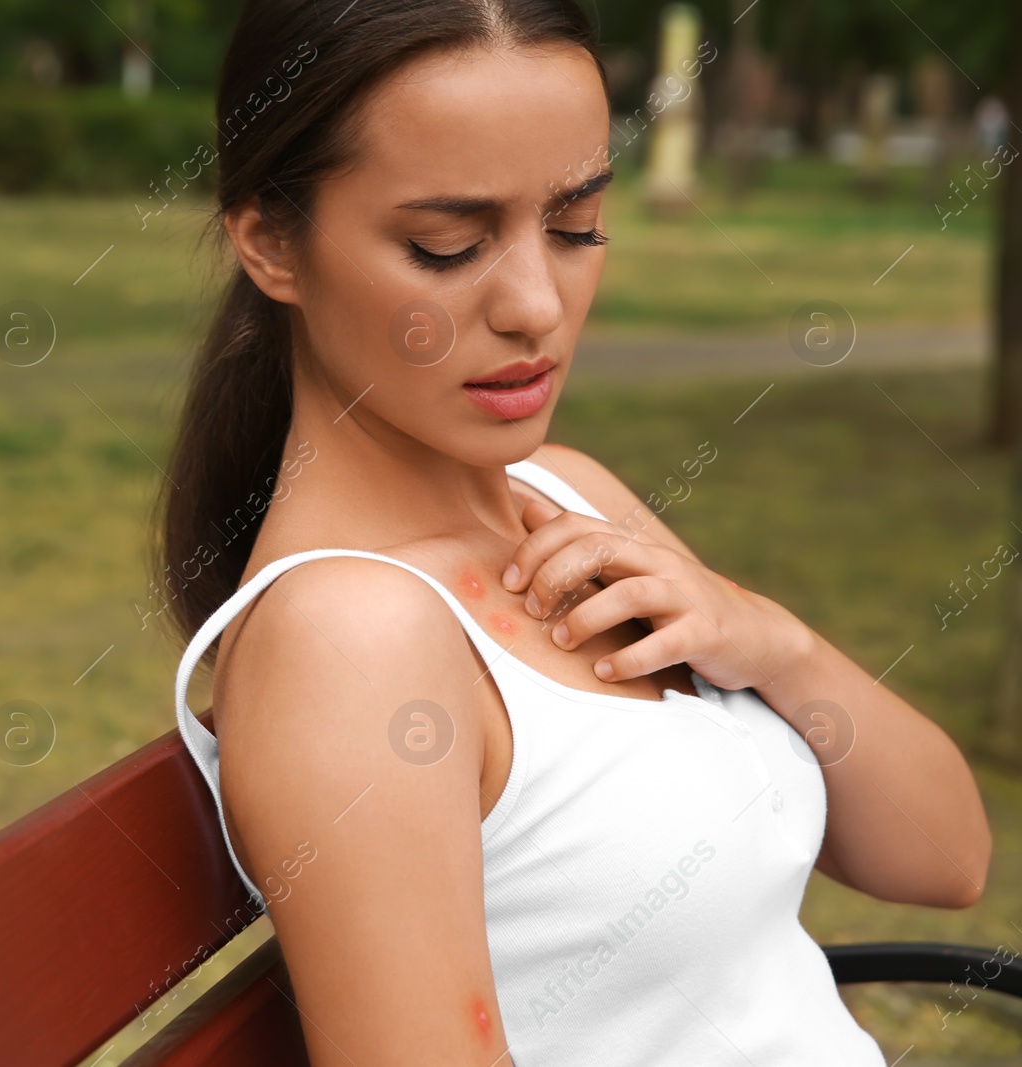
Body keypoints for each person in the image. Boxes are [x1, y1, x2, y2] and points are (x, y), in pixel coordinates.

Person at [159, 1, 993, 1063]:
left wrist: (765, 637)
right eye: (445, 244)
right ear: (272, 242)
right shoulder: (350, 637)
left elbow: (946, 856)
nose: (534, 305)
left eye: (575, 226)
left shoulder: (566, 492)